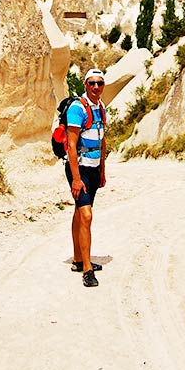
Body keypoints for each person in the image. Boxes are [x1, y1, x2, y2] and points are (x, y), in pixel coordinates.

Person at [65, 68, 107, 288]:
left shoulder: (101, 108)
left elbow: (102, 140)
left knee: (80, 213)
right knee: (87, 216)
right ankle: (87, 270)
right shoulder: (76, 108)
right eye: (92, 83)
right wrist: (76, 179)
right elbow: (71, 145)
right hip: (79, 170)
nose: (96, 87)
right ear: (85, 84)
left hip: (93, 169)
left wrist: (102, 171)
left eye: (99, 83)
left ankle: (78, 259)